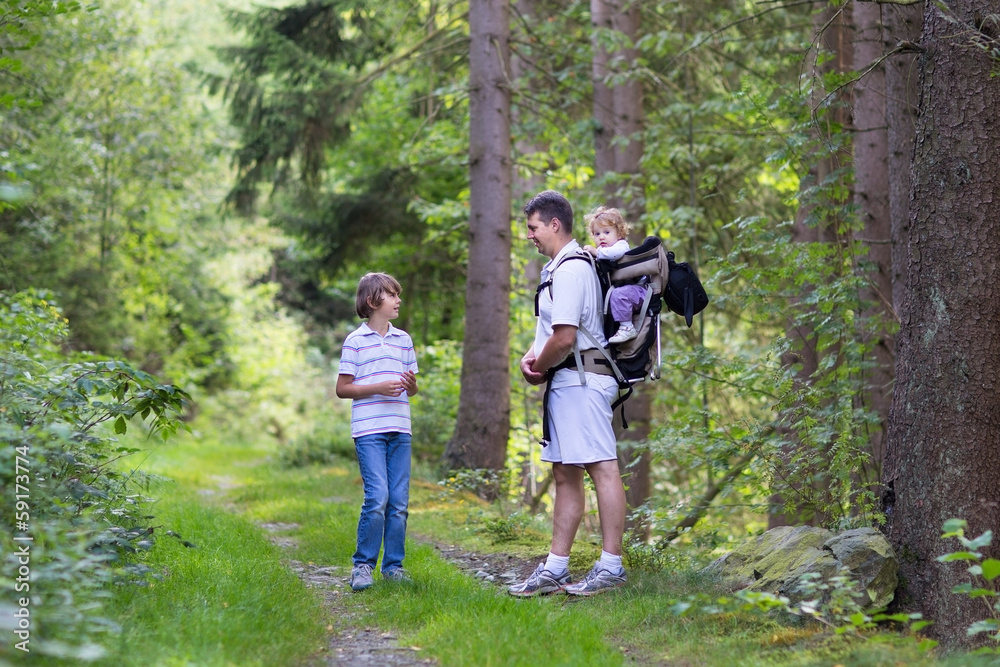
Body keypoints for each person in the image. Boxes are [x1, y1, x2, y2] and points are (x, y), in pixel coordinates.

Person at [509, 190, 628, 598]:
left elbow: (565, 337)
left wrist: (539, 366)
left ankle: (611, 566)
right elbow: (548, 335)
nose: (530, 235)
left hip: (583, 381)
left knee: (601, 466)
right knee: (565, 472)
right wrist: (532, 360)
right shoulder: (554, 269)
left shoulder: (572, 269)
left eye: (533, 227)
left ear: (554, 225)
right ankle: (557, 567)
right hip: (566, 382)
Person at [336, 272, 419, 591]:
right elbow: (343, 388)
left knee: (399, 501)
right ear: (373, 302)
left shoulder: (404, 340)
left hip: (401, 430)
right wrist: (377, 388)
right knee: (378, 497)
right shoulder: (355, 341)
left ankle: (393, 567)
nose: (398, 300)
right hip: (369, 431)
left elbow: (410, 390)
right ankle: (362, 566)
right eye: (392, 295)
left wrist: (410, 386)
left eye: (398, 295)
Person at [582, 206, 649, 344]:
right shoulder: (603, 250)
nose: (602, 237)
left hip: (639, 291)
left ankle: (627, 327)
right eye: (597, 234)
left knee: (618, 294)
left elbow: (615, 254)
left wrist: (596, 252)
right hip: (626, 293)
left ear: (619, 233)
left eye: (606, 232)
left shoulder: (621, 246)